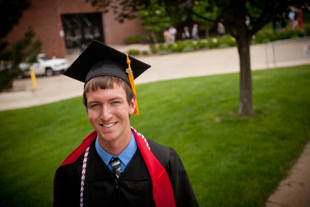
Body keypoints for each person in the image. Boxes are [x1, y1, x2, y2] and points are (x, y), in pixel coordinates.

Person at [53, 40, 198, 207]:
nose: (105, 115)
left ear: (131, 104)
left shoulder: (165, 161)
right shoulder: (72, 172)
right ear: (86, 110)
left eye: (115, 102)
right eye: (95, 105)